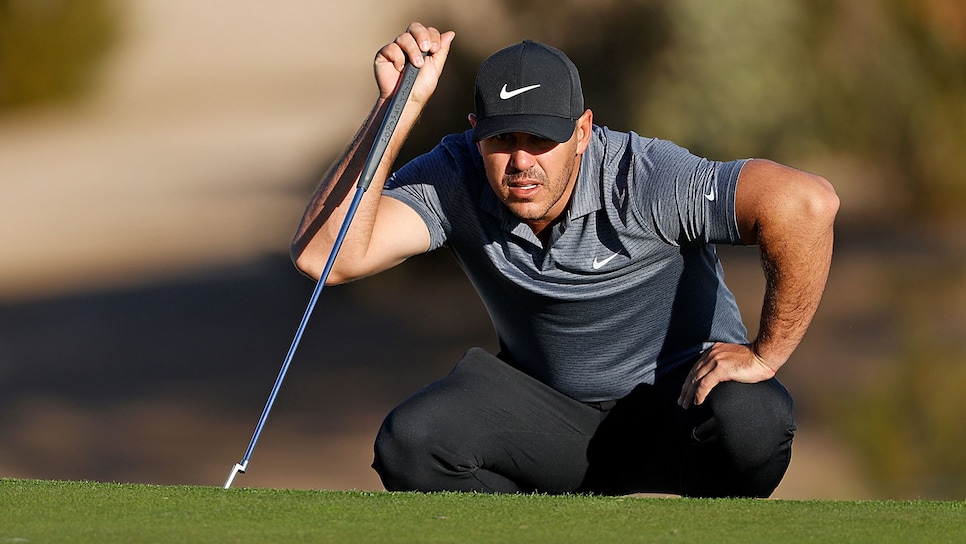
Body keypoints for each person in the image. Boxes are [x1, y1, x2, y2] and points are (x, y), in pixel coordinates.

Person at [290, 23, 839, 498]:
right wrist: (395, 110)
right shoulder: (455, 173)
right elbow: (326, 257)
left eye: (542, 138)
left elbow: (807, 203)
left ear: (582, 132)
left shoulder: (644, 177)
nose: (521, 162)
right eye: (503, 138)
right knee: (411, 444)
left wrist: (767, 354)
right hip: (551, 426)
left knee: (754, 422)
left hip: (684, 410)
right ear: (474, 133)